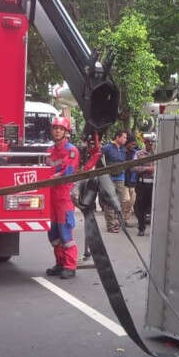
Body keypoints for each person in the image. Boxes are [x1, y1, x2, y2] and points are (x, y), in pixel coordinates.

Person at [75, 132, 121, 259]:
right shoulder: (86, 153)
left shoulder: (100, 155)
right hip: (87, 183)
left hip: (96, 182)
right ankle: (87, 250)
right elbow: (83, 169)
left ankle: (88, 250)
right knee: (87, 213)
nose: (97, 145)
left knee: (90, 214)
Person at [45, 116, 80, 279]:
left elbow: (68, 172)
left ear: (66, 132)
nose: (57, 131)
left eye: (61, 129)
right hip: (50, 196)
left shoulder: (72, 150)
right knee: (53, 234)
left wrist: (50, 178)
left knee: (66, 234)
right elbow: (44, 169)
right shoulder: (49, 151)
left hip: (64, 197)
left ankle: (70, 266)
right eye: (55, 128)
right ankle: (59, 264)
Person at [101, 129, 131, 232]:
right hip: (109, 178)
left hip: (120, 178)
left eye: (126, 138)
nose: (125, 139)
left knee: (122, 201)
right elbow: (99, 159)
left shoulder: (123, 149)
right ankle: (111, 225)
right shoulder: (107, 148)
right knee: (109, 202)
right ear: (117, 137)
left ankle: (118, 222)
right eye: (124, 137)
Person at [131, 135, 156, 236]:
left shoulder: (159, 153)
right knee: (140, 207)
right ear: (145, 143)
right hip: (142, 183)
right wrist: (146, 169)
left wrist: (155, 169)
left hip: (155, 184)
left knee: (154, 207)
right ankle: (141, 228)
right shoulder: (139, 154)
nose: (150, 144)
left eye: (152, 143)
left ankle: (155, 229)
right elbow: (133, 167)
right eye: (148, 142)